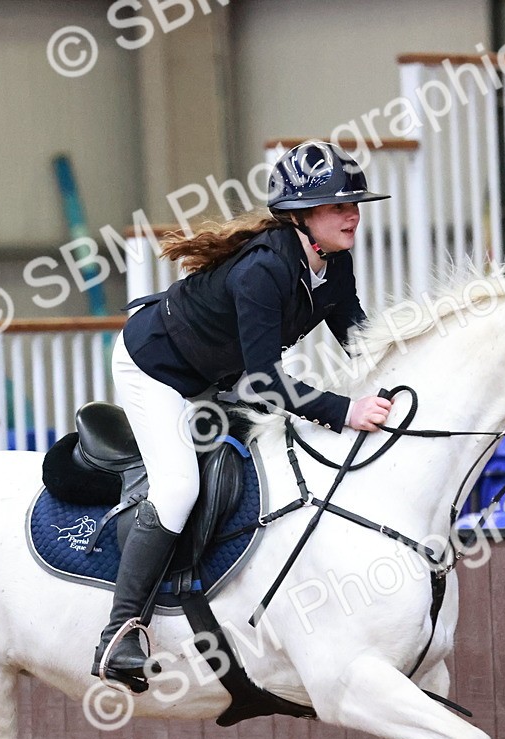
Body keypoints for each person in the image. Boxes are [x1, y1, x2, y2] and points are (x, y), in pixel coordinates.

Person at [93, 141, 394, 690]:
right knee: (178, 487)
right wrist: (345, 410)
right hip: (156, 368)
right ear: (301, 216)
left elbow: (356, 335)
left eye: (355, 204)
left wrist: (396, 382)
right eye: (337, 206)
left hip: (219, 374)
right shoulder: (263, 270)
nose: (352, 214)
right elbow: (264, 382)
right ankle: (121, 632)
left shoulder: (334, 261)